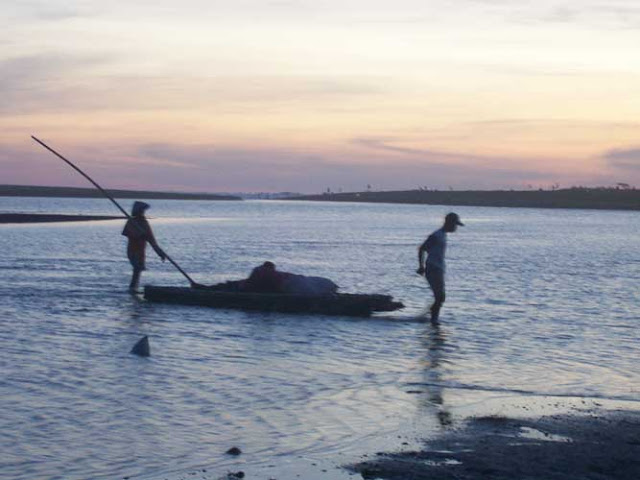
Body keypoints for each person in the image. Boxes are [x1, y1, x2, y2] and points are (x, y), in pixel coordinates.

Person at [416, 212, 464, 323]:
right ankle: (433, 320)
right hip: (433, 268)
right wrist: (421, 266)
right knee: (440, 297)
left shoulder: (442, 235)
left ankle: (431, 318)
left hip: (438, 269)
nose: (456, 228)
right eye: (455, 225)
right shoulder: (436, 235)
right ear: (449, 223)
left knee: (440, 298)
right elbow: (422, 248)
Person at [122, 201, 165, 292]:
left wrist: (160, 253)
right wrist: (139, 235)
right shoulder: (131, 222)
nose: (143, 212)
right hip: (133, 251)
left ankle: (134, 288)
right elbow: (127, 233)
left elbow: (152, 240)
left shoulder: (145, 223)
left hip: (141, 252)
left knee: (138, 271)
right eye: (141, 211)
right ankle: (132, 288)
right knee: (137, 269)